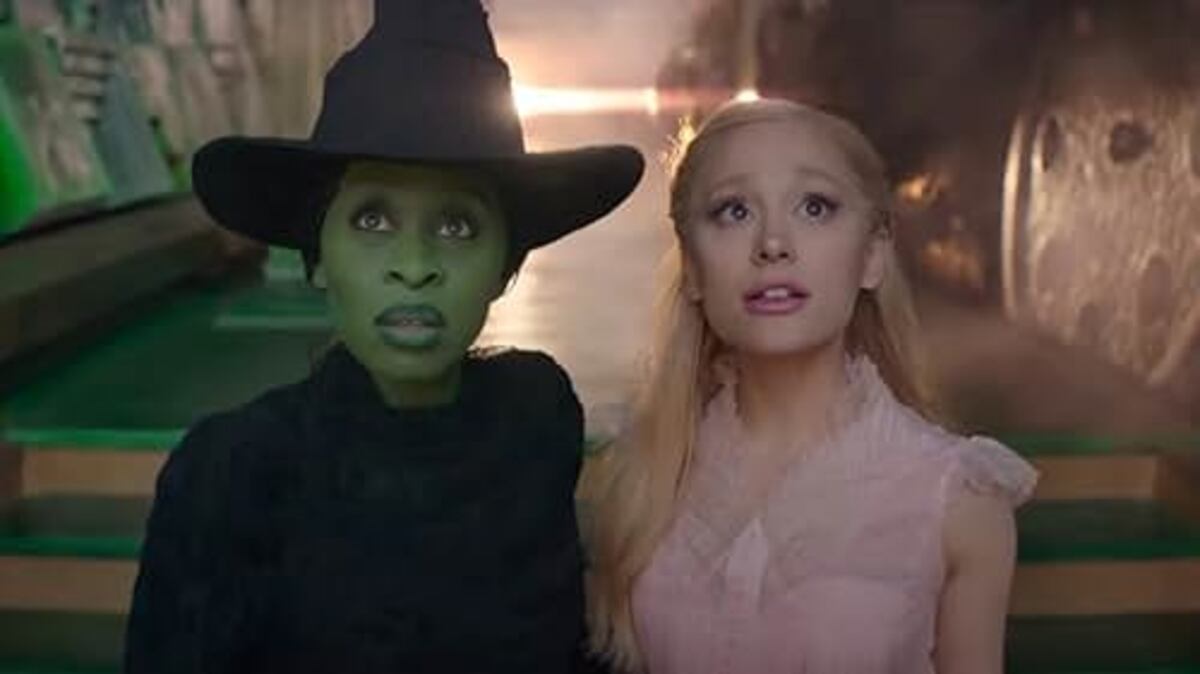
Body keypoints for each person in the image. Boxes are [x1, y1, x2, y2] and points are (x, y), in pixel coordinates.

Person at [125, 1, 643, 672]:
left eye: (457, 226)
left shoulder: (534, 422)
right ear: (318, 258)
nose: (414, 265)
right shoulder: (235, 472)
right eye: (372, 220)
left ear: (504, 268)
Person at [582, 98, 1037, 674]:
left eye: (815, 207)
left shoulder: (957, 500)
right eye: (733, 211)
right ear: (692, 268)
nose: (773, 243)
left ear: (872, 256)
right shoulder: (643, 477)